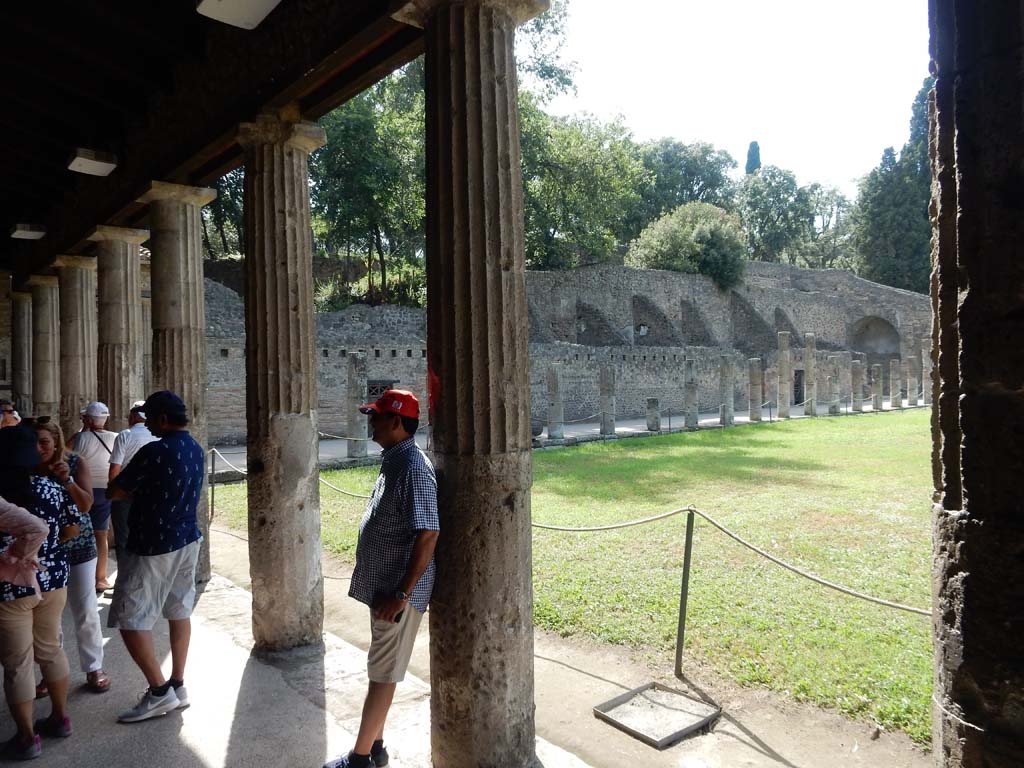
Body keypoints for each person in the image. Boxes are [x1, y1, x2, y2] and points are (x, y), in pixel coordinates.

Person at [323, 390, 439, 768]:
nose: (370, 423)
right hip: (387, 589)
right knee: (381, 670)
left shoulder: (413, 467)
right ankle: (375, 747)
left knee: (383, 675)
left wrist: (402, 594)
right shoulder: (396, 460)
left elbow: (428, 534)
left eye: (376, 417)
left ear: (395, 422)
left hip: (397, 595)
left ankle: (358, 761)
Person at [106, 391, 204, 723]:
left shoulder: (155, 451)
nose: (147, 424)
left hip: (153, 544)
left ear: (162, 418)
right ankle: (178, 683)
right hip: (188, 539)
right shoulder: (196, 448)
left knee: (129, 618)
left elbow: (115, 490)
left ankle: (160, 693)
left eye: (150, 418)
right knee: (179, 609)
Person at [0, 426, 80, 759]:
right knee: (51, 649)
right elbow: (72, 527)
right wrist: (48, 552)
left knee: (18, 663)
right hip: (53, 580)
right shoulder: (52, 487)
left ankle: (27, 737)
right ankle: (61, 719)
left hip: (9, 588)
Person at [33, 420, 112, 694]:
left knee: (85, 608)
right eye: (34, 442)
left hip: (78, 545)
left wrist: (66, 480)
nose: (39, 448)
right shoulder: (25, 465)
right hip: (42, 549)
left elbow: (86, 504)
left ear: (56, 440)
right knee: (47, 615)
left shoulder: (76, 462)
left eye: (44, 441)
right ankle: (52, 672)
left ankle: (94, 667)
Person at [69, 402, 117, 593]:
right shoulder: (116, 437)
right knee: (101, 535)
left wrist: (84, 429)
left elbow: (63, 453)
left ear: (88, 419)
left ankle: (79, 575)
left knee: (77, 531)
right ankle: (101, 578)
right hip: (105, 489)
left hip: (83, 490)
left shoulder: (80, 437)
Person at [108, 401, 157, 553]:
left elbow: (115, 469)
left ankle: (125, 573)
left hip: (125, 492)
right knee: (148, 533)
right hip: (150, 492)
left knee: (123, 535)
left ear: (134, 416)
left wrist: (113, 492)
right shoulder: (157, 435)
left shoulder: (125, 435)